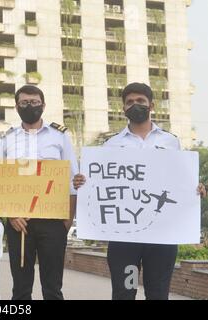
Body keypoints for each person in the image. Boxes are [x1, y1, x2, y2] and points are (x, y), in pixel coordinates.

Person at [73, 82, 207, 300]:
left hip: (161, 237)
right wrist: (82, 182)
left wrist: (195, 188)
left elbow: (178, 180)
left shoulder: (171, 142)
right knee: (125, 292)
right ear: (123, 108)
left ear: (151, 105)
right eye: (130, 102)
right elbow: (98, 182)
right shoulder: (111, 145)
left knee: (158, 293)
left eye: (140, 101)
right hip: (125, 240)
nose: (135, 105)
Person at [0, 85, 78, 300]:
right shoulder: (7, 138)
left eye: (34, 102)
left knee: (52, 288)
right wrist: (10, 214)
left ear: (43, 105)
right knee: (20, 289)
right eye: (24, 103)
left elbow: (72, 180)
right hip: (18, 222)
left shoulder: (60, 137)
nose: (29, 106)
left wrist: (67, 222)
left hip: (53, 222)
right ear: (16, 106)